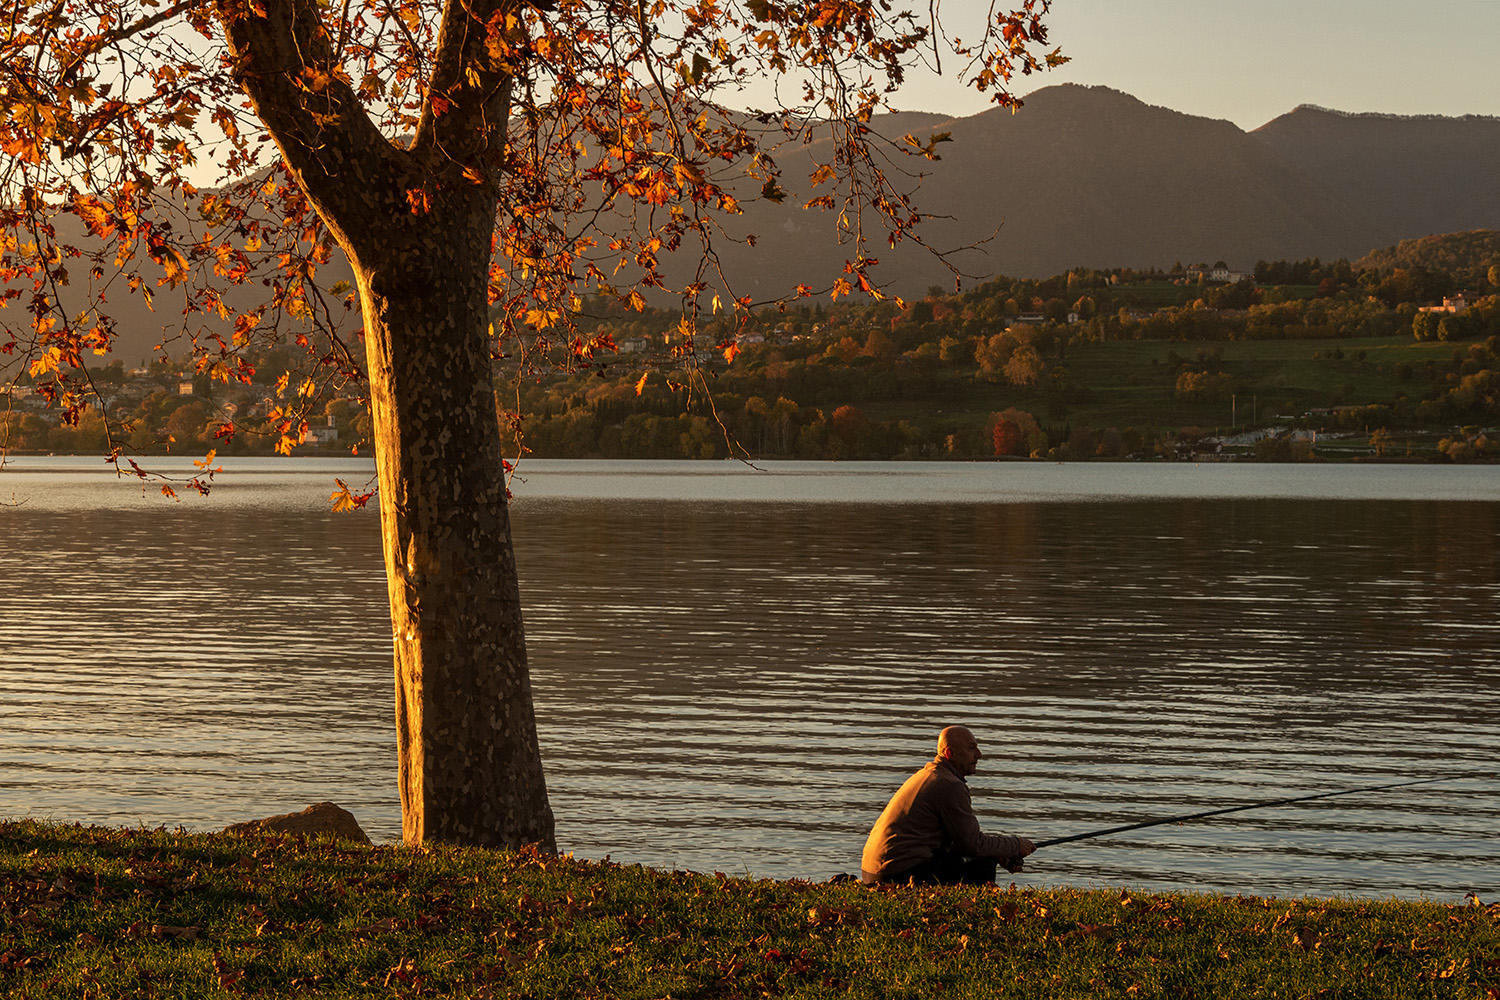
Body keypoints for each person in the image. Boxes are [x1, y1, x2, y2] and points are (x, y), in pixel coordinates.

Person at [860, 725, 1036, 886]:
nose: (979, 754)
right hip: (896, 875)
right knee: (982, 865)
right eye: (971, 748)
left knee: (980, 856)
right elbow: (973, 844)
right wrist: (1015, 845)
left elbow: (960, 841)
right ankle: (972, 908)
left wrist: (999, 853)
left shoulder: (929, 775)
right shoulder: (950, 785)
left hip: (874, 872)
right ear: (950, 754)